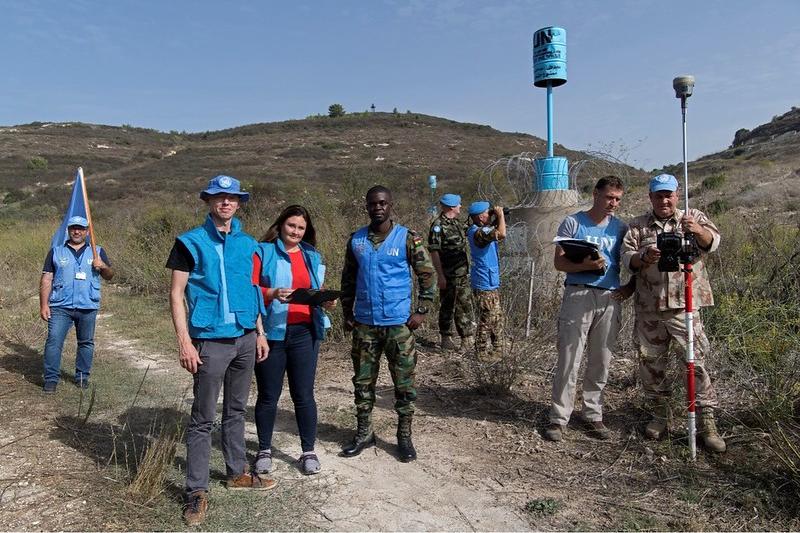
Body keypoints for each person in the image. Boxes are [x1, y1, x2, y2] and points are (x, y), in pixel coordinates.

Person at [166, 175, 274, 527]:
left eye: (231, 198)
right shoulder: (189, 242)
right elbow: (176, 294)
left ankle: (236, 471)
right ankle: (196, 490)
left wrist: (259, 333)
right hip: (210, 340)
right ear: (208, 202)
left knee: (237, 409)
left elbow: (253, 290)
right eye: (218, 197)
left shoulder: (248, 244)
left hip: (244, 337)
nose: (225, 203)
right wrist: (184, 341)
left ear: (239, 203)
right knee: (202, 418)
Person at [622, 173, 726, 453]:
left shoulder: (692, 216)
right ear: (650, 197)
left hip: (685, 307)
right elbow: (626, 259)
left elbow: (713, 242)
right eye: (659, 195)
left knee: (697, 364)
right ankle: (661, 414)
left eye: (669, 194)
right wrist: (644, 257)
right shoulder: (637, 226)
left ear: (677, 195)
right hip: (650, 309)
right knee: (651, 364)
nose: (664, 200)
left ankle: (707, 422)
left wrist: (697, 230)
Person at [339, 185, 436, 462]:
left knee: (404, 385)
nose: (377, 207)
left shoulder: (407, 238)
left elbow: (427, 275)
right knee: (362, 382)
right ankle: (364, 433)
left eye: (382, 203)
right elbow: (348, 279)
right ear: (367, 206)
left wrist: (420, 311)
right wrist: (348, 311)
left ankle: (404, 437)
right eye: (372, 203)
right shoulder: (356, 240)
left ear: (390, 205)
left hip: (398, 325)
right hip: (365, 324)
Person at [543, 176, 629, 442]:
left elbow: (631, 260)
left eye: (617, 199)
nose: (612, 203)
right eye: (608, 197)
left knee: (601, 360)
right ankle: (559, 418)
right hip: (578, 294)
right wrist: (587, 267)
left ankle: (593, 414)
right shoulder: (573, 223)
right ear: (596, 194)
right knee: (570, 358)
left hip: (609, 297)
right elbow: (560, 264)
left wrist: (630, 287)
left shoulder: (621, 228)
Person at [252, 205, 334, 476]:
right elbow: (251, 292)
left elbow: (315, 290)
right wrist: (272, 293)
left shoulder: (311, 255)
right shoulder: (262, 251)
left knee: (304, 395)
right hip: (272, 334)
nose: (296, 231)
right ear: (281, 225)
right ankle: (264, 450)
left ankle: (308, 451)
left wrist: (326, 300)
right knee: (268, 396)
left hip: (305, 334)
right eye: (291, 226)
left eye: (301, 228)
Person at [39, 215, 114, 392]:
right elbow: (47, 279)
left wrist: (102, 265)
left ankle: (82, 377)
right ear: (68, 230)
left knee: (86, 342)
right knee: (54, 341)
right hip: (60, 306)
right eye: (73, 228)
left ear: (87, 231)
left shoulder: (97, 251)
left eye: (81, 228)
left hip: (88, 305)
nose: (77, 231)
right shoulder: (56, 251)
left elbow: (110, 275)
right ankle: (51, 379)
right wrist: (44, 304)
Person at [428, 193, 474, 351]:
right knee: (448, 306)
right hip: (448, 275)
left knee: (465, 305)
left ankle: (466, 338)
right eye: (459, 204)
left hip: (462, 274)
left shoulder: (457, 223)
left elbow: (470, 231)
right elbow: (434, 252)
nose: (461, 207)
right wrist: (440, 275)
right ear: (452, 206)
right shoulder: (438, 226)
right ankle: (446, 338)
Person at [466, 201, 506, 362]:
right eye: (486, 213)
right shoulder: (478, 233)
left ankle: (497, 350)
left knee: (496, 318)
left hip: (489, 280)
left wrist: (497, 218)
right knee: (487, 318)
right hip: (484, 282)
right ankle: (481, 351)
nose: (488, 215)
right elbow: (501, 234)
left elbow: (495, 230)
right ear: (480, 216)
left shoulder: (482, 230)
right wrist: (500, 215)